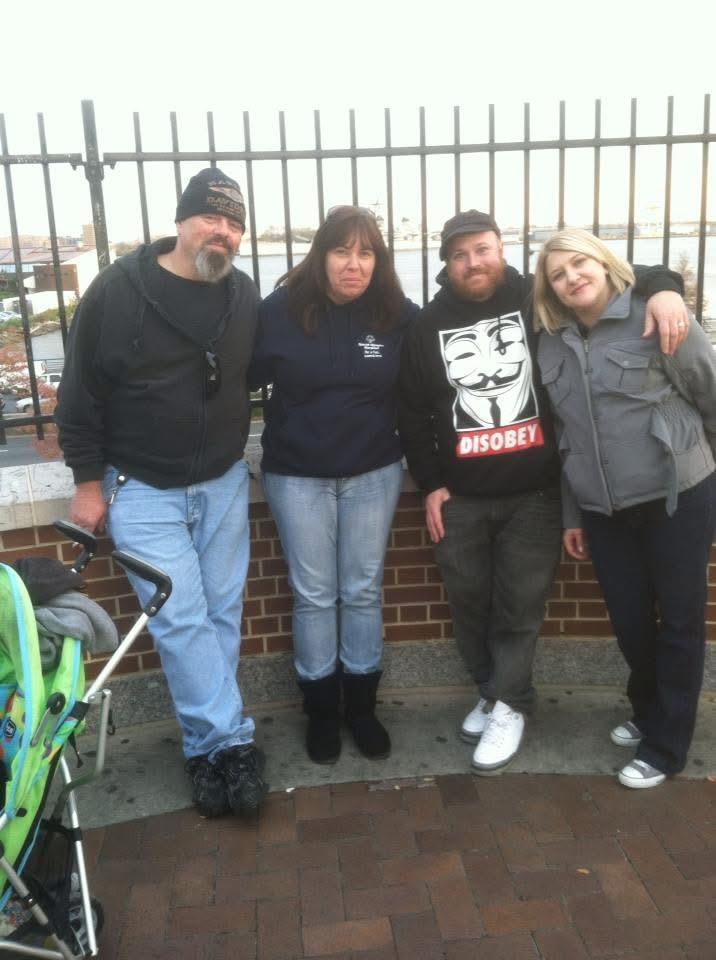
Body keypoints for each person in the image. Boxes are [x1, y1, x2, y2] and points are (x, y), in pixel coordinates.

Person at [398, 209, 689, 775]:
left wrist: (666, 289)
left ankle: (510, 704)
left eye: (482, 249)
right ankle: (495, 690)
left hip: (535, 492)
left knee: (519, 607)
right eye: (459, 255)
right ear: (445, 264)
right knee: (468, 603)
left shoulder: (536, 298)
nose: (472, 262)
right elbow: (410, 410)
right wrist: (430, 483)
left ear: (500, 247)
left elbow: (612, 280)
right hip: (459, 496)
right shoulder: (427, 323)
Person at [55, 168, 267, 818]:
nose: (223, 231)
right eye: (211, 217)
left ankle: (204, 750)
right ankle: (232, 745)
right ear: (181, 221)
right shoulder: (118, 292)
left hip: (225, 481)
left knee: (221, 615)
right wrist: (88, 480)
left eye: (234, 223)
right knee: (179, 621)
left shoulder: (245, 295)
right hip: (140, 488)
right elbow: (78, 394)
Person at [533, 228, 716, 789]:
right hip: (601, 508)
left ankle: (666, 746)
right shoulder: (551, 341)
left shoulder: (655, 315)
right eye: (558, 274)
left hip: (676, 495)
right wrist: (572, 514)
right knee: (632, 623)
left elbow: (709, 392)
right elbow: (566, 438)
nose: (571, 278)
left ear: (605, 262)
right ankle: (649, 709)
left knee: (680, 622)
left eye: (578, 263)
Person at [249, 206, 418, 764]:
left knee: (363, 589)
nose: (354, 264)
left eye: (366, 252)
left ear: (379, 260)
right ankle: (321, 711)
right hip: (297, 475)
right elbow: (231, 376)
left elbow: (453, 328)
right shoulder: (279, 311)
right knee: (315, 594)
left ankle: (362, 708)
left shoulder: (395, 314)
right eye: (342, 250)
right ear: (320, 255)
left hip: (373, 472)